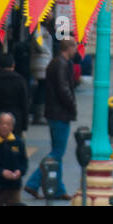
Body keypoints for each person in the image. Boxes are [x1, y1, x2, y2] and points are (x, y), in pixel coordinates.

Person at [24, 39, 77, 200]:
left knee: (57, 152)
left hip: (55, 113)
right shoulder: (61, 64)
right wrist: (72, 104)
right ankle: (33, 183)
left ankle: (58, 188)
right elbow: (63, 89)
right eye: (75, 47)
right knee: (57, 152)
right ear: (69, 48)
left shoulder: (57, 62)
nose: (76, 50)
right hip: (60, 114)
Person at [0, 53, 29, 136]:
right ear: (13, 65)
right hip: (16, 119)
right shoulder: (20, 81)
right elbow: (24, 104)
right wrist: (24, 125)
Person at [29, 27, 52, 125]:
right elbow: (38, 41)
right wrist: (47, 52)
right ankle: (39, 115)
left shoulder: (44, 28)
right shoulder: (40, 29)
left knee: (41, 87)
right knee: (42, 87)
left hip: (43, 62)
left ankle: (38, 114)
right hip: (42, 63)